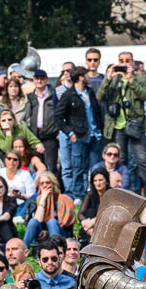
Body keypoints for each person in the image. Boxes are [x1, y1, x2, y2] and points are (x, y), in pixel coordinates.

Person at [98, 56, 146, 193]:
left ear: (133, 62)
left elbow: (144, 95)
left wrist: (131, 80)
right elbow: (100, 96)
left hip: (135, 125)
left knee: (142, 160)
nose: (124, 64)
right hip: (117, 126)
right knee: (120, 159)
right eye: (121, 61)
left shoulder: (140, 78)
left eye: (127, 61)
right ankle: (122, 190)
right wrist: (108, 78)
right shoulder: (113, 80)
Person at [55, 66, 102, 197]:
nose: (89, 77)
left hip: (94, 135)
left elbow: (97, 112)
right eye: (86, 75)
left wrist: (100, 128)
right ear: (81, 77)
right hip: (79, 136)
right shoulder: (68, 95)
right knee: (78, 168)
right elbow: (58, 116)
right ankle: (78, 195)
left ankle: (94, 195)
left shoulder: (90, 92)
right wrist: (69, 132)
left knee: (95, 168)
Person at [22, 171, 75, 247]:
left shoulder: (65, 199)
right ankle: (23, 249)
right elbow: (38, 220)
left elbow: (66, 222)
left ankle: (56, 250)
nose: (45, 185)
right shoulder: (38, 199)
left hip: (62, 233)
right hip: (41, 233)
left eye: (47, 182)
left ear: (53, 184)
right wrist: (43, 198)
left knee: (52, 222)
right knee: (33, 221)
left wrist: (48, 230)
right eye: (42, 183)